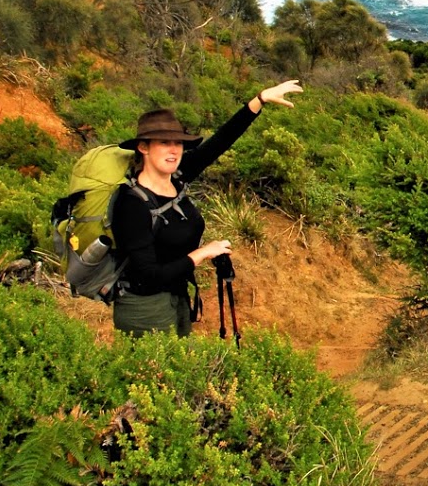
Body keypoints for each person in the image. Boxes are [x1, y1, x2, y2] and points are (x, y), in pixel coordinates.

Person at [111, 80, 302, 337]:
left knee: (180, 372)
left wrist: (260, 100)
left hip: (176, 297)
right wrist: (201, 254)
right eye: (163, 143)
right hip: (145, 307)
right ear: (143, 147)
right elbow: (148, 276)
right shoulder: (131, 204)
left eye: (177, 143)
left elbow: (219, 142)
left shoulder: (178, 176)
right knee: (155, 375)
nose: (173, 150)